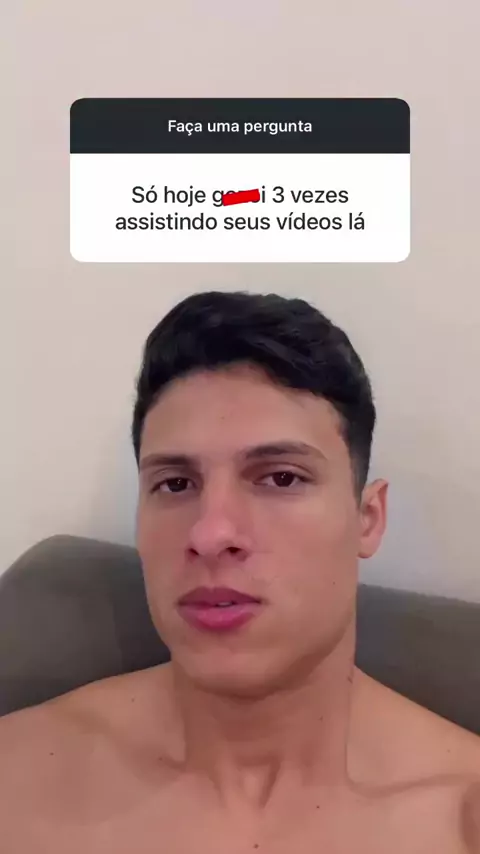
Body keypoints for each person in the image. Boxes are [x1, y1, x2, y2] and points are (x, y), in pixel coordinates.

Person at [0, 290, 479, 853]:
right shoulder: (17, 782)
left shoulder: (459, 818)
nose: (210, 534)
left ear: (367, 519)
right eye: (175, 484)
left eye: (281, 478)